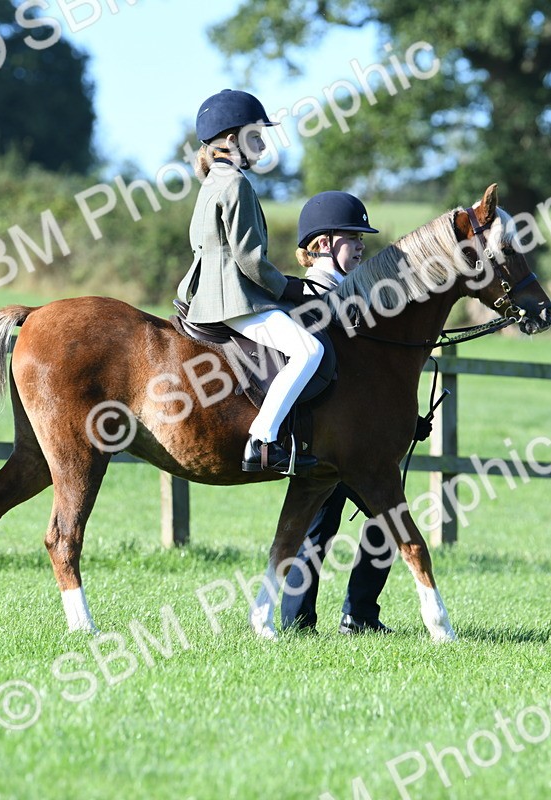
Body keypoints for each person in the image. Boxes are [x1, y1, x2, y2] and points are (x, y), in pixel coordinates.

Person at [278, 191, 433, 634]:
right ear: (323, 243)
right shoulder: (305, 298)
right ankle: (310, 620)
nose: (362, 246)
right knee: (326, 529)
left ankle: (353, 614)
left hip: (359, 441)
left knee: (376, 522)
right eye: (352, 237)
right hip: (322, 439)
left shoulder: (360, 294)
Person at [177, 89, 322, 474]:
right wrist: (289, 288)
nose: (262, 146)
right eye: (256, 137)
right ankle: (263, 440)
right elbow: (249, 259)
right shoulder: (236, 184)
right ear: (231, 141)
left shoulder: (212, 183)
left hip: (210, 294)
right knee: (309, 351)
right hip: (234, 301)